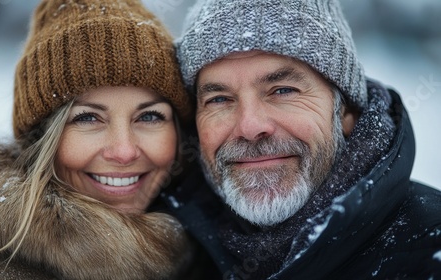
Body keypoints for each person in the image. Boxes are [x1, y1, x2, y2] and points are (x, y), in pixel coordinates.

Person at [0, 0, 217, 279]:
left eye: (149, 117)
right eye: (87, 118)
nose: (124, 152)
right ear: (42, 140)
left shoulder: (212, 246)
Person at [169, 0, 441, 279]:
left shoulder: (428, 248)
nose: (250, 127)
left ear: (347, 111)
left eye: (283, 90)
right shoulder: (173, 253)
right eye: (219, 99)